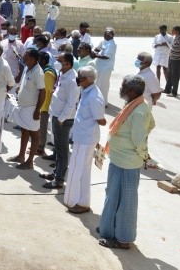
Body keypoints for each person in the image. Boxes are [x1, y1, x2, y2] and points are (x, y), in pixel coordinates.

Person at [98, 75, 154, 250]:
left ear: (131, 91)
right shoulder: (133, 104)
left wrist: (144, 156)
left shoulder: (139, 110)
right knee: (112, 195)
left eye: (123, 86)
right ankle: (108, 229)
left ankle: (123, 239)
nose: (120, 88)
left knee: (126, 201)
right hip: (118, 159)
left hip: (129, 163)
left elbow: (139, 138)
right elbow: (151, 124)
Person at [63, 66, 106, 214]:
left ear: (87, 80)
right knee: (82, 171)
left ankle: (73, 201)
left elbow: (101, 120)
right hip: (82, 137)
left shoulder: (94, 97)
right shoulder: (87, 91)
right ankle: (83, 202)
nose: (77, 81)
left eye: (79, 78)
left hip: (86, 139)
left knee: (76, 170)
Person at [41, 53, 78, 189]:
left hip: (63, 119)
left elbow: (71, 103)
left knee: (62, 151)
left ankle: (59, 180)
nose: (56, 63)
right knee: (57, 148)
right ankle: (55, 173)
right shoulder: (64, 74)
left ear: (67, 63)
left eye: (60, 61)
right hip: (57, 115)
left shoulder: (72, 80)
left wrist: (61, 119)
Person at [5, 48, 46, 170]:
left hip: (32, 109)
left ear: (33, 59)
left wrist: (37, 110)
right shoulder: (28, 68)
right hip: (23, 107)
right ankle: (21, 156)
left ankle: (29, 161)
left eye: (26, 56)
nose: (23, 58)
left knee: (34, 135)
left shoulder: (38, 72)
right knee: (24, 131)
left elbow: (42, 93)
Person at [37, 51, 57, 156]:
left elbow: (48, 90)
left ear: (43, 61)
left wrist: (42, 105)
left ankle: (40, 148)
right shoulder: (43, 70)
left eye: (38, 59)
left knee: (42, 126)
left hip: (44, 104)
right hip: (41, 103)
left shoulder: (48, 73)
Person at [93, 27, 117, 105]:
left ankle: (103, 103)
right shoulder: (103, 41)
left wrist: (95, 56)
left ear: (112, 35)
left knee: (103, 85)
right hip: (99, 65)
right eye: (104, 33)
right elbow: (98, 48)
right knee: (97, 83)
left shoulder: (112, 44)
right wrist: (94, 50)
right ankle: (96, 100)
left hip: (106, 68)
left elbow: (106, 57)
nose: (104, 35)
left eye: (107, 34)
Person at [164, 25, 180, 97]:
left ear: (177, 31)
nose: (172, 31)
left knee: (175, 76)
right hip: (172, 58)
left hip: (176, 60)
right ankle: (167, 89)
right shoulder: (175, 37)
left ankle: (174, 92)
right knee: (170, 74)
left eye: (173, 30)